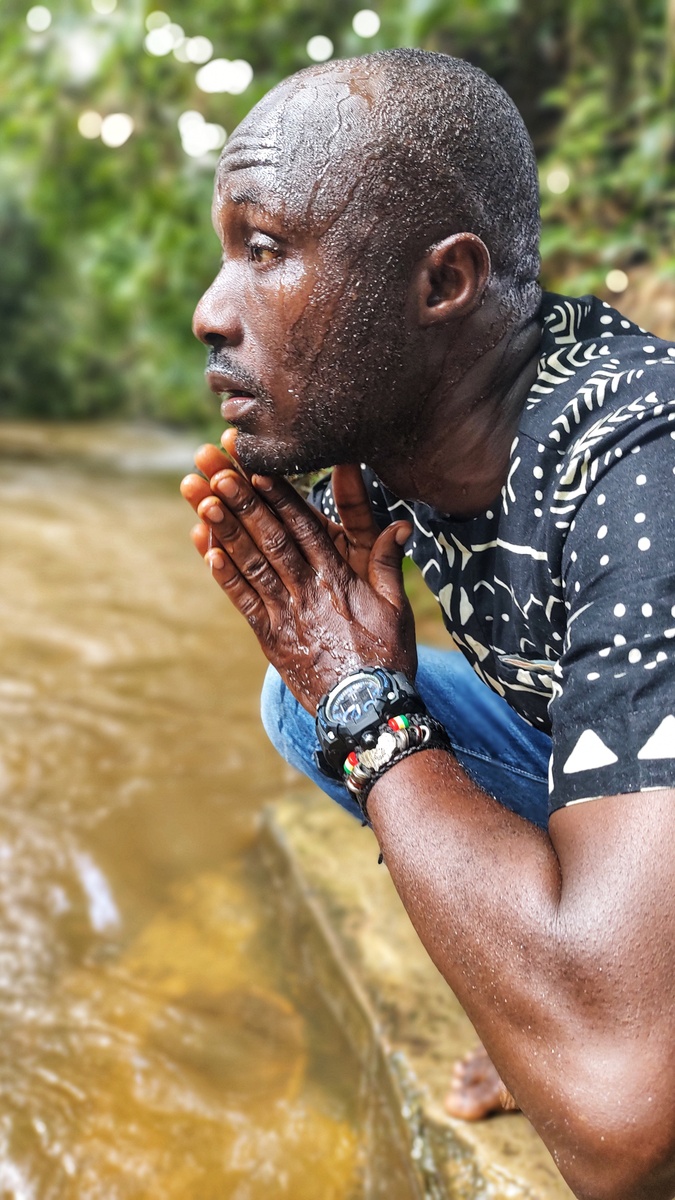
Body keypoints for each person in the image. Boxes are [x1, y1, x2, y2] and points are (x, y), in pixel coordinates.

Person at [180, 48, 675, 1200]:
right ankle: (570, 984)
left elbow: (626, 1142)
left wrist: (370, 696)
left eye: (265, 251)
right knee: (295, 704)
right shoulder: (409, 420)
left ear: (445, 282)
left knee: (348, 711)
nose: (211, 312)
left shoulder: (641, 475)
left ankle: (600, 998)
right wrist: (338, 682)